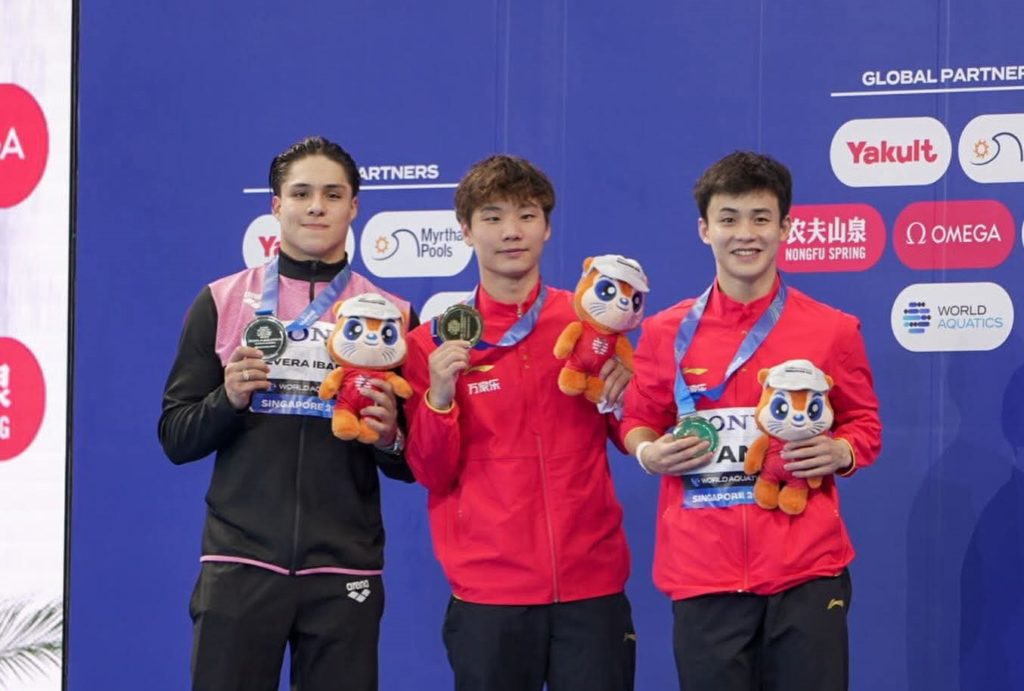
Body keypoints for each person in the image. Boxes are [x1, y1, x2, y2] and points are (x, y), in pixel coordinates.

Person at [158, 135, 415, 691]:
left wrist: (390, 436)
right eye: (301, 194)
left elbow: (415, 462)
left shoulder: (392, 315)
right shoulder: (222, 301)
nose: (316, 207)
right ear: (277, 206)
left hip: (344, 567)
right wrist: (227, 398)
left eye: (332, 194)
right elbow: (176, 437)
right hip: (240, 562)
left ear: (354, 207)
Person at [622, 151, 881, 691]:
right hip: (703, 575)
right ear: (705, 229)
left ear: (785, 228)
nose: (745, 234)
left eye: (761, 218)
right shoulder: (666, 332)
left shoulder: (833, 330)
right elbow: (638, 420)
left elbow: (864, 424)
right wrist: (649, 453)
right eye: (729, 218)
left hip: (806, 571)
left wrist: (842, 451)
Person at [403, 154, 637, 691]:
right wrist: (439, 396)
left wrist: (627, 394)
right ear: (465, 231)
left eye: (527, 215)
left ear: (547, 227)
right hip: (489, 593)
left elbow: (631, 436)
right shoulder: (431, 343)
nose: (512, 231)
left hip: (591, 584)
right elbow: (431, 472)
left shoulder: (591, 323)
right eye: (492, 217)